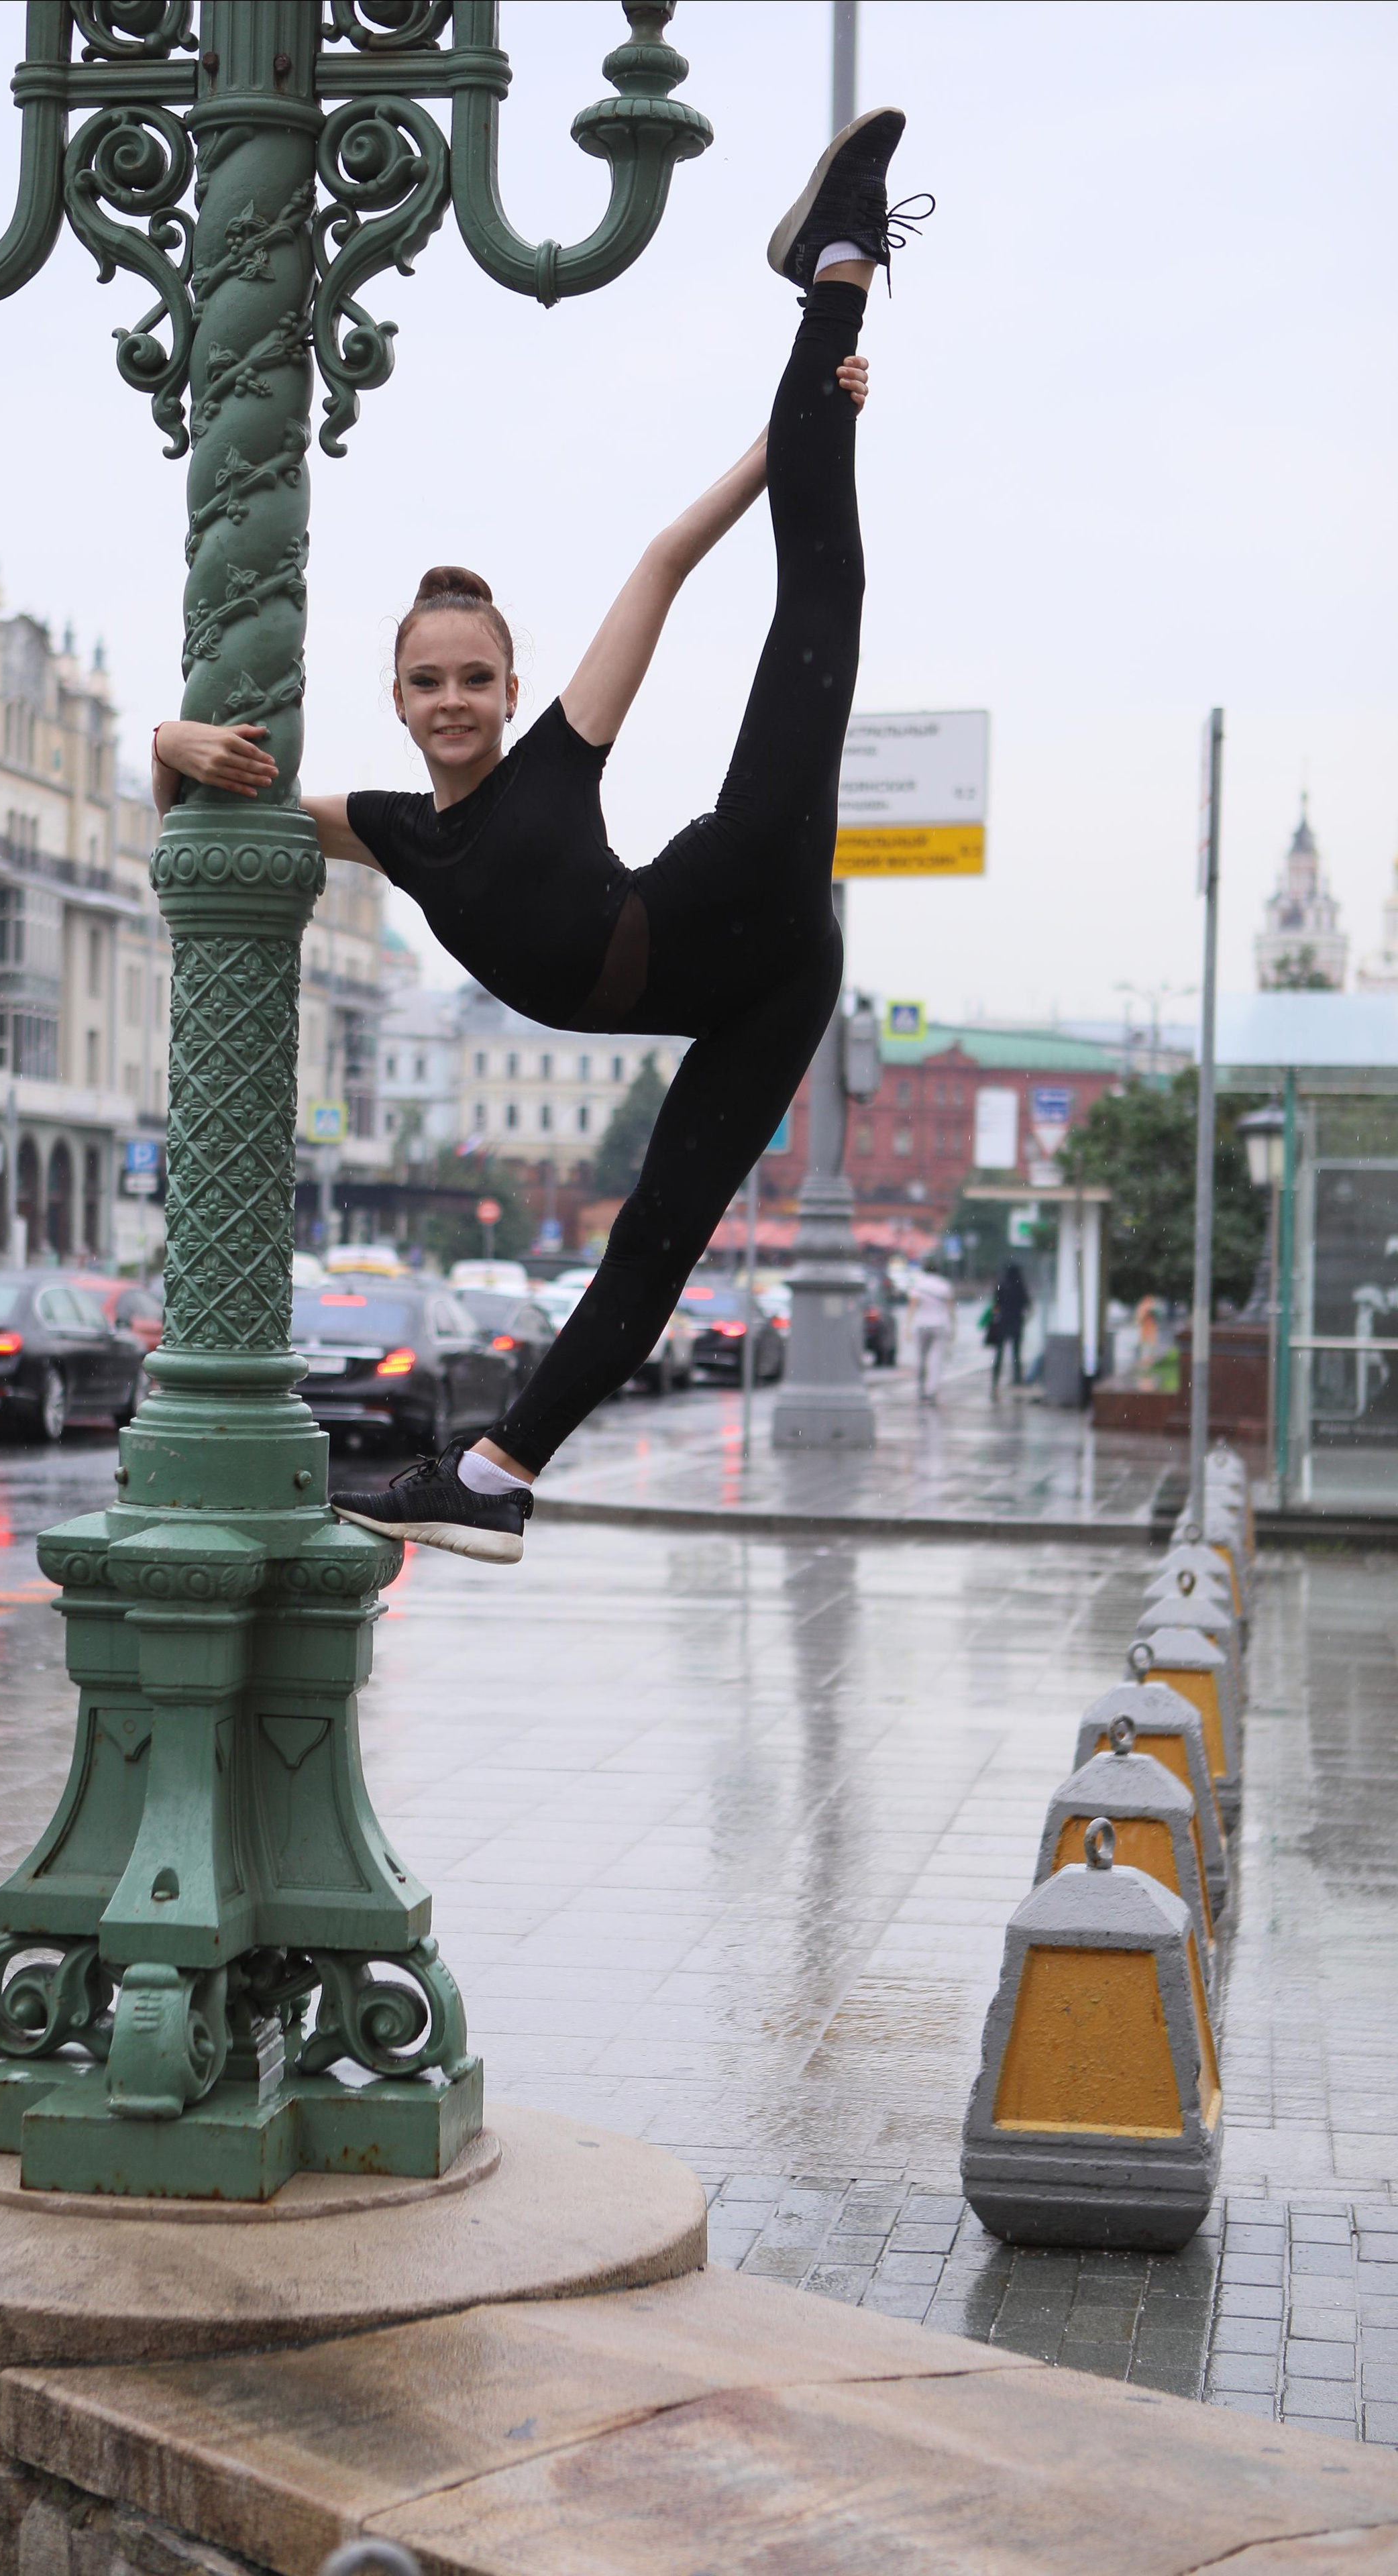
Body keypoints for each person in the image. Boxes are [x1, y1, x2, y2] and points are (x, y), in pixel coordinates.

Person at [153, 110, 930, 1562]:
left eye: (474, 680)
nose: (453, 702)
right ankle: (497, 1478)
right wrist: (164, 743)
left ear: (510, 692)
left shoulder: (558, 758)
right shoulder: (385, 829)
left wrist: (794, 425)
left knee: (817, 596)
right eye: (427, 684)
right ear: (395, 699)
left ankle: (837, 254)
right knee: (652, 1243)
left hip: (736, 889)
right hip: (765, 994)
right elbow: (223, 827)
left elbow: (661, 560)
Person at [910, 1263, 955, 1405]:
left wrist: (907, 1326)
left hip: (921, 1324)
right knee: (936, 1359)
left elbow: (912, 1306)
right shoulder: (945, 1285)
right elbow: (950, 1307)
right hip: (940, 1325)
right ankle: (932, 1391)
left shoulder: (919, 1285)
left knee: (921, 1358)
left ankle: (921, 1389)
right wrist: (953, 1326)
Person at [987, 1260, 1031, 1396]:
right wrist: (1024, 1319)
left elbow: (996, 1305)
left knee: (999, 1353)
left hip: (1002, 1323)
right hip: (1017, 1323)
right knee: (1016, 1353)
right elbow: (1028, 1306)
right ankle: (1017, 1378)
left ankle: (995, 1380)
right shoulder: (1021, 1287)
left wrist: (995, 1318)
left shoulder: (1002, 1285)